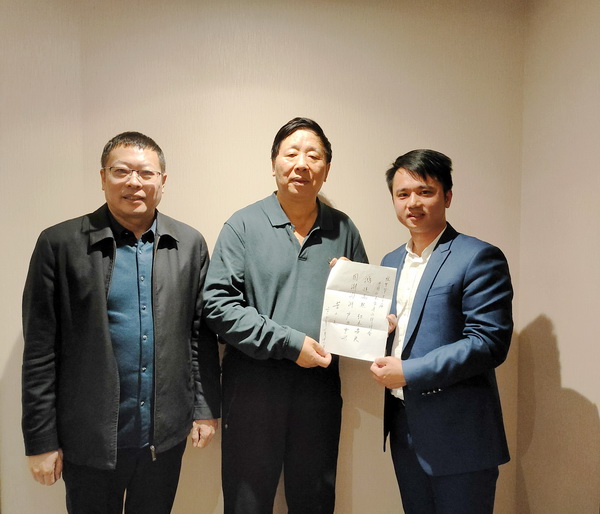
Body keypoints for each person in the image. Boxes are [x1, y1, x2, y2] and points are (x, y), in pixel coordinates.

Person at [21, 131, 221, 514]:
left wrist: (204, 407)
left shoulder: (189, 245)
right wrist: (41, 439)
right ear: (102, 177)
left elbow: (200, 337)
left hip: (163, 440)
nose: (134, 182)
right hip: (88, 440)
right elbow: (40, 351)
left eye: (146, 173)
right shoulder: (59, 245)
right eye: (121, 171)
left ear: (163, 181)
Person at [203, 117, 368, 514]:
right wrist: (290, 344)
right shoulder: (243, 225)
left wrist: (374, 312)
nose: (302, 164)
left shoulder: (343, 228)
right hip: (252, 387)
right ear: (273, 162)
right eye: (291, 153)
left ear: (326, 169)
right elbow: (218, 306)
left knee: (315, 501)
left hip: (319, 389)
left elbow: (365, 312)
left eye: (314, 156)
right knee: (247, 502)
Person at [370, 149, 513, 514]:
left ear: (447, 197)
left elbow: (488, 342)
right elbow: (402, 332)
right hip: (404, 427)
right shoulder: (389, 262)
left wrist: (409, 371)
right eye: (403, 194)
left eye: (425, 192)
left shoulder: (478, 256)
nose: (413, 203)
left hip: (460, 435)